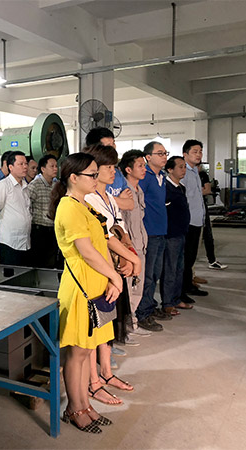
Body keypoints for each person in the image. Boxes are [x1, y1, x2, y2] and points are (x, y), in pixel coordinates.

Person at [49, 152, 122, 433]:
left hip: (95, 285)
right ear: (73, 178)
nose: (96, 177)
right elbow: (87, 251)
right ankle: (74, 408)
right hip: (81, 287)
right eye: (91, 174)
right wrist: (115, 276)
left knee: (87, 349)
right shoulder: (68, 207)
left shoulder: (84, 205)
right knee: (77, 354)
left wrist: (111, 277)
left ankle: (85, 405)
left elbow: (102, 243)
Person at [82, 144, 140, 404]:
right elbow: (102, 239)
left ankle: (106, 373)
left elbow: (119, 229)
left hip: (115, 266)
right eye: (108, 167)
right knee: (96, 326)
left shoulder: (107, 198)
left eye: (113, 166)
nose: (113, 171)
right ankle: (93, 381)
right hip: (100, 270)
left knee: (107, 323)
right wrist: (127, 259)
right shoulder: (88, 200)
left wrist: (129, 253)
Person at [136, 141, 171, 332]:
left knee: (156, 273)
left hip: (161, 231)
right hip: (148, 232)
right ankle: (142, 313)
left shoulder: (162, 176)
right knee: (147, 276)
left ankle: (150, 305)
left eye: (165, 153)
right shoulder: (145, 177)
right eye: (160, 153)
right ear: (148, 157)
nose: (164, 156)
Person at [118, 150, 151, 337]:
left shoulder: (139, 191)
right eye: (140, 165)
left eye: (144, 165)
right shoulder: (125, 193)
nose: (144, 169)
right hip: (130, 247)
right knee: (129, 288)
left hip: (141, 244)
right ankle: (125, 328)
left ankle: (133, 323)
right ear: (128, 169)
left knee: (138, 286)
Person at [161, 156, 194, 315]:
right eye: (180, 167)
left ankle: (176, 298)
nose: (183, 170)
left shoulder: (181, 187)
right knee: (170, 269)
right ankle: (167, 302)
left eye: (184, 167)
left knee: (179, 268)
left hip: (181, 233)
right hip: (170, 235)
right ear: (170, 169)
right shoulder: (166, 188)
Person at [0, 151, 31, 266]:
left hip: (25, 241)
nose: (25, 167)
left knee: (24, 273)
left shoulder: (25, 186)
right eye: (21, 164)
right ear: (11, 167)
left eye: (26, 164)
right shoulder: (3, 186)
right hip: (9, 241)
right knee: (11, 273)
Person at [180, 140, 209, 299]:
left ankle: (189, 284)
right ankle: (182, 289)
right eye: (195, 152)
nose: (199, 155)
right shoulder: (183, 172)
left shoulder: (195, 171)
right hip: (188, 221)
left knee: (191, 257)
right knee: (185, 257)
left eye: (200, 151)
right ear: (185, 154)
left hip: (197, 220)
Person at [85, 127, 134, 211]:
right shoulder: (87, 177)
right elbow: (93, 201)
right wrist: (118, 199)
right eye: (109, 146)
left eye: (113, 143)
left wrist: (108, 199)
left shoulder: (117, 174)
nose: (113, 147)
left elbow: (130, 204)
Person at [27, 154, 59, 268]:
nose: (55, 169)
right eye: (52, 166)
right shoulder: (35, 185)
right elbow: (27, 206)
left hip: (53, 229)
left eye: (56, 166)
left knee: (51, 262)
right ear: (43, 169)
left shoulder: (56, 185)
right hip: (39, 230)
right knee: (39, 262)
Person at [199, 166, 228, 270]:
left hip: (201, 207)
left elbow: (207, 190)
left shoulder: (202, 175)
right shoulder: (186, 174)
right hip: (188, 208)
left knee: (207, 234)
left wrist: (194, 191)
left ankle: (212, 260)